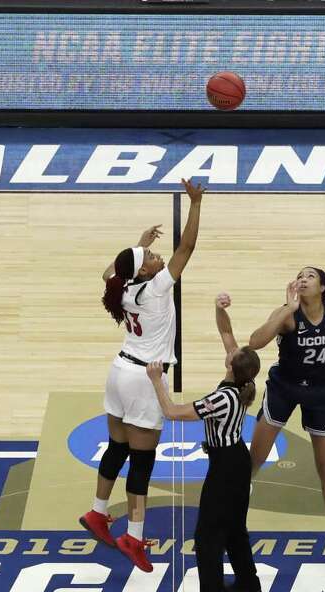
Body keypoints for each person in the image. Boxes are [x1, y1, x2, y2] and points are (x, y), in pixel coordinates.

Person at [79, 178, 206, 572]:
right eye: (151, 256)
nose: (157, 256)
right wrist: (196, 203)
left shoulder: (124, 289)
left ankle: (99, 512)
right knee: (142, 460)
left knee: (117, 448)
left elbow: (110, 272)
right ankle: (134, 536)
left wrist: (137, 244)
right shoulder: (155, 289)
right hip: (143, 379)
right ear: (146, 271)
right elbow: (186, 247)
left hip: (118, 371)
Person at [146, 293, 262, 592]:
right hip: (237, 460)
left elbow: (171, 412)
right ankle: (248, 582)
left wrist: (157, 380)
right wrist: (219, 309)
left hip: (225, 468)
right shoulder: (244, 381)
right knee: (235, 528)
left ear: (231, 365)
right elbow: (227, 335)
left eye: (232, 353)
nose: (230, 348)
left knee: (208, 538)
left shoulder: (220, 399)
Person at [247, 267, 325, 581]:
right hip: (284, 388)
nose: (303, 279)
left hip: (320, 392)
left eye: (310, 276)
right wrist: (287, 308)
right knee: (253, 462)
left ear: (322, 286)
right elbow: (254, 342)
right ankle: (230, 523)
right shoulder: (287, 316)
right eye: (300, 275)